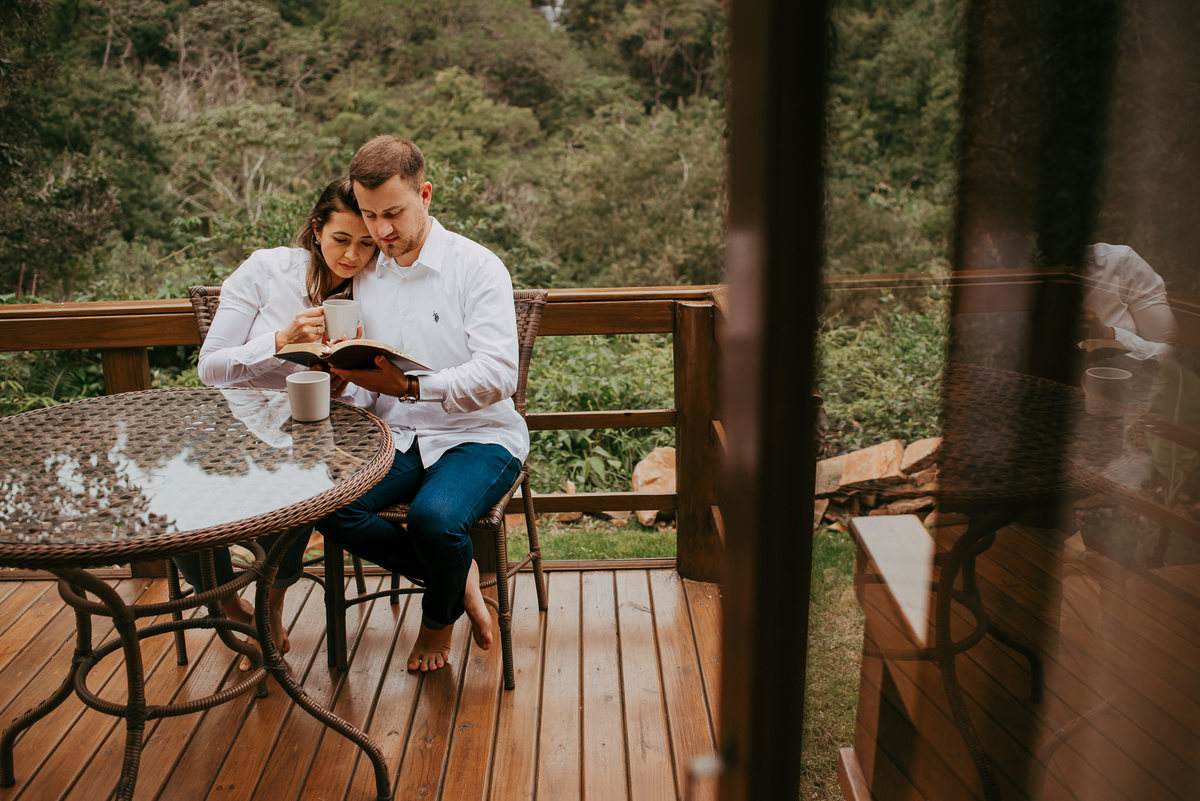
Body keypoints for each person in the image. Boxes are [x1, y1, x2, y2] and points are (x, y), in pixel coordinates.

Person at [319, 135, 526, 673]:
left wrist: (412, 389)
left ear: (425, 194)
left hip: (479, 435)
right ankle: (457, 585)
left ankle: (437, 622)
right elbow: (369, 371)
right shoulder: (362, 273)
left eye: (393, 213)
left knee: (437, 520)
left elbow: (501, 374)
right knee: (330, 506)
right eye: (370, 216)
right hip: (395, 434)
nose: (382, 231)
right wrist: (344, 378)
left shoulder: (477, 267)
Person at [174, 176, 377, 660]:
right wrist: (281, 341)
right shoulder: (266, 270)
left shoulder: (377, 286)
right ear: (315, 230)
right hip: (239, 414)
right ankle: (227, 600)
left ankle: (271, 601)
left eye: (367, 244)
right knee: (176, 500)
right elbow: (210, 367)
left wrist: (353, 376)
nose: (352, 257)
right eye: (341, 240)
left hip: (322, 422)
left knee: (298, 484)